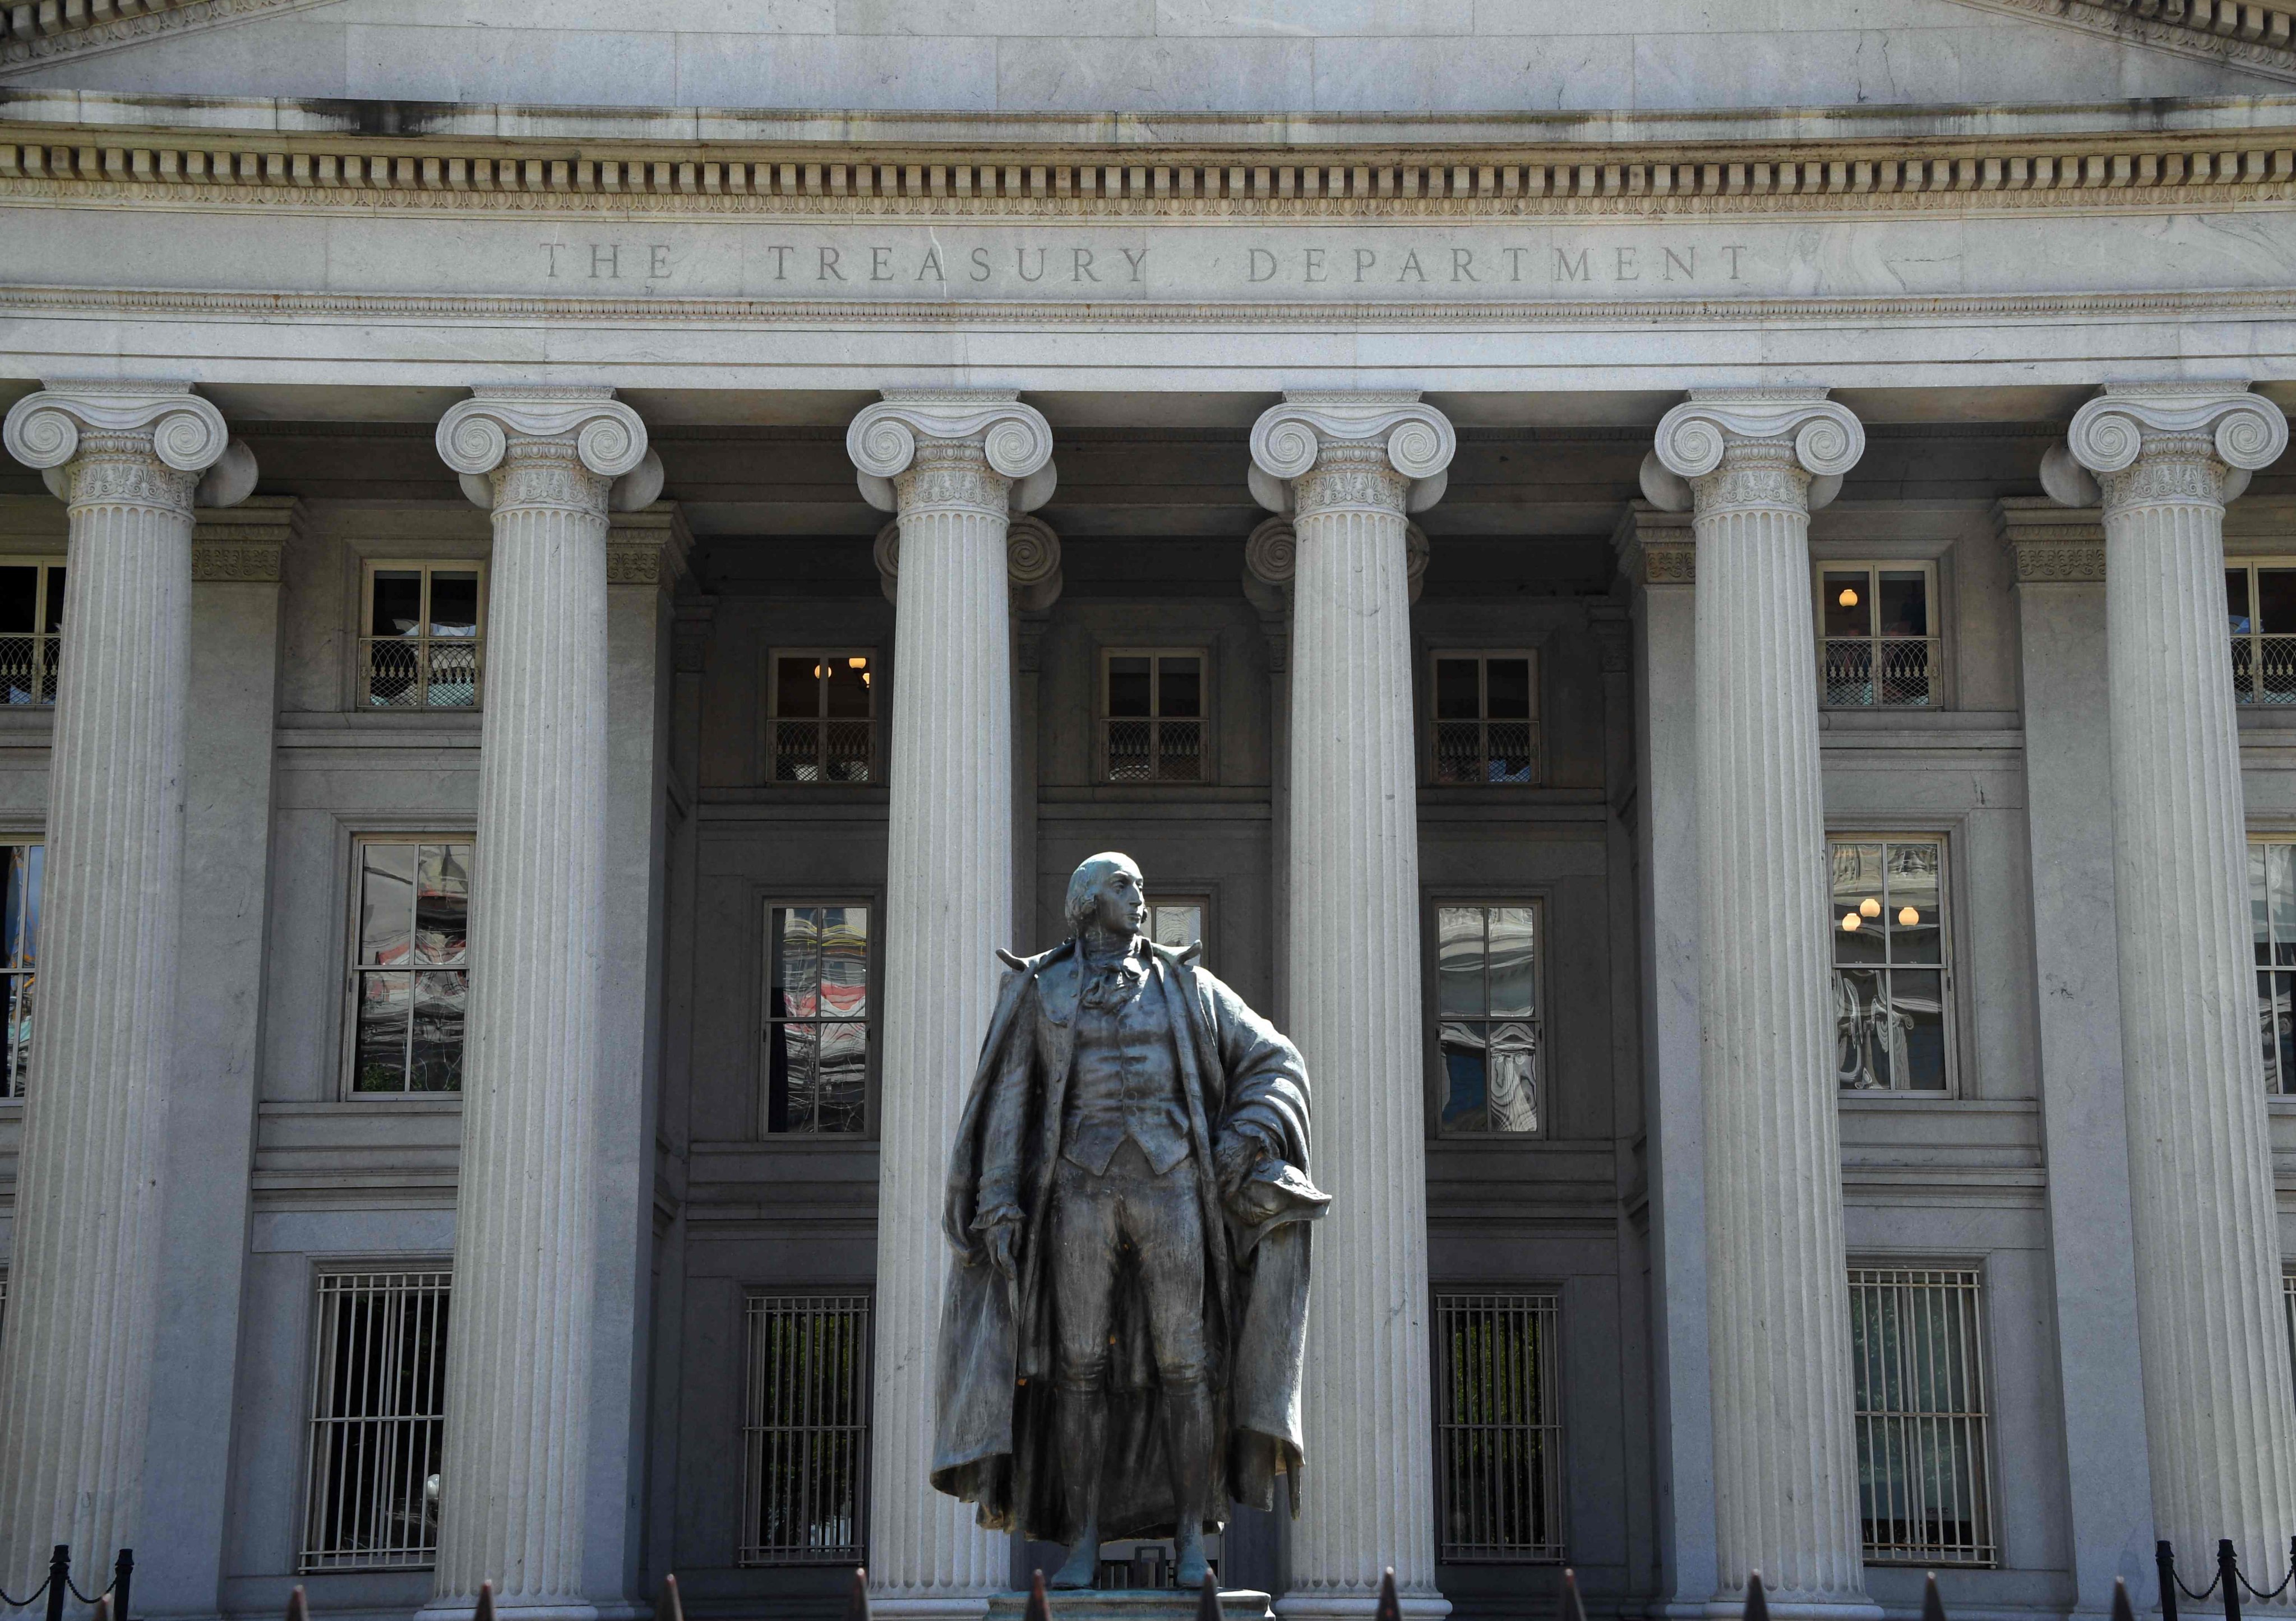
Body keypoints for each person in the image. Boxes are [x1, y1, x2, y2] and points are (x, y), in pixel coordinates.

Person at [931, 852, 1327, 1590]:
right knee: (1079, 1371)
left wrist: (1243, 1138)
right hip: (1078, 1192)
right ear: (1087, 900)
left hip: (1174, 1187)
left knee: (1187, 1366)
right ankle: (1080, 1541)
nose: (1140, 897)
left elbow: (1275, 1057)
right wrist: (999, 1200)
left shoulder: (1188, 985)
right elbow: (1013, 1096)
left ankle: (1186, 1537)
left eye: (1141, 886)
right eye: (1123, 886)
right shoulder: (1040, 988)